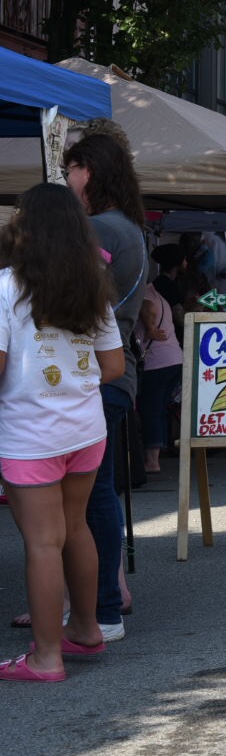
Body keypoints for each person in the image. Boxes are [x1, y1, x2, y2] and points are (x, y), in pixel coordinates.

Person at [0, 184, 125, 682]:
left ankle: (46, 657)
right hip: (86, 428)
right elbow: (113, 365)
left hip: (30, 433)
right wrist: (74, 382)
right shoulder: (93, 284)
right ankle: (87, 630)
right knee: (75, 529)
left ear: (24, 228)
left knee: (42, 543)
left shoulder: (6, 287)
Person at [61, 131, 144, 642]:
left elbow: (70, 302)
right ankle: (97, 601)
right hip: (114, 374)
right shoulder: (129, 228)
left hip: (91, 375)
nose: (67, 179)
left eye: (71, 169)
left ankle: (97, 608)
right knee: (98, 496)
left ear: (87, 171)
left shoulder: (97, 230)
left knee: (85, 501)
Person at [136, 277, 183, 473]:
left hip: (157, 362)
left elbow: (148, 309)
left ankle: (152, 460)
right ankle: (161, 449)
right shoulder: (161, 297)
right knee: (162, 409)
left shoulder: (146, 292)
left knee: (151, 410)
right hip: (174, 359)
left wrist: (151, 329)